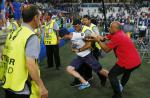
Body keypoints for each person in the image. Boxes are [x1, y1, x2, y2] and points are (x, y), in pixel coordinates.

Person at [0, 4, 48, 98]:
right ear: (35, 18)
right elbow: (30, 64)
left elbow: (4, 55)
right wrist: (41, 86)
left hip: (8, 83)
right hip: (21, 88)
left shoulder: (14, 33)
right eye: (40, 17)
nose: (41, 20)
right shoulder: (31, 36)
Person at [86, 21, 141, 98]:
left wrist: (97, 41)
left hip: (128, 61)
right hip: (137, 61)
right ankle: (121, 86)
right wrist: (100, 38)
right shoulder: (119, 33)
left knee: (112, 75)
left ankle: (117, 95)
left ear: (116, 28)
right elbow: (106, 38)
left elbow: (106, 49)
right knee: (127, 72)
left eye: (111, 27)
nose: (109, 28)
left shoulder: (117, 36)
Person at [62, 19, 108, 90]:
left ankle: (106, 78)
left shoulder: (86, 30)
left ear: (80, 24)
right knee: (77, 68)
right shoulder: (77, 31)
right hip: (82, 55)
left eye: (76, 26)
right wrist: (74, 47)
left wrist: (79, 49)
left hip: (92, 50)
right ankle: (83, 80)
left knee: (98, 69)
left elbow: (91, 40)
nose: (74, 28)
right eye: (73, 26)